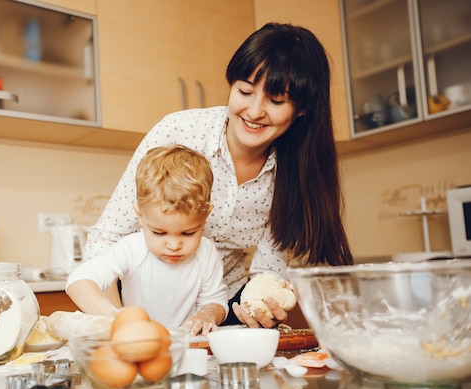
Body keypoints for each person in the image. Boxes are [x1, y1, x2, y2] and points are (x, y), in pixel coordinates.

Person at [83, 22, 354, 329]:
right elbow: (106, 239)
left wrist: (262, 302)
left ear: (302, 109)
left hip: (219, 307)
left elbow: (268, 269)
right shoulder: (179, 132)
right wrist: (121, 322)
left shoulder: (295, 173)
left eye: (276, 101)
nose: (254, 111)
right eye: (244, 91)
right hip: (139, 303)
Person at [66, 144, 228, 336]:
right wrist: (116, 318)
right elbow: (79, 281)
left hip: (186, 349)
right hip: (136, 345)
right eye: (159, 233)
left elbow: (216, 302)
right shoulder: (132, 249)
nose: (174, 245)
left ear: (206, 216)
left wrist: (207, 314)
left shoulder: (207, 253)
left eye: (188, 233)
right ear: (140, 216)